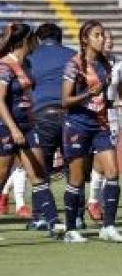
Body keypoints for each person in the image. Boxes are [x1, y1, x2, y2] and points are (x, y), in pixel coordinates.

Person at [61, 20, 122, 243]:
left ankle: (108, 226)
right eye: (97, 35)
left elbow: (103, 100)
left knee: (114, 173)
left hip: (101, 125)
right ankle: (70, 229)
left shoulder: (106, 65)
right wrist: (88, 93)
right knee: (77, 179)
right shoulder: (74, 64)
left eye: (103, 35)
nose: (102, 39)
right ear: (85, 39)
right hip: (77, 125)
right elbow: (65, 101)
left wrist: (121, 103)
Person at [1, 22, 62, 236]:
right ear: (27, 40)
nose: (37, 42)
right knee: (1, 177)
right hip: (7, 128)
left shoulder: (26, 63)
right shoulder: (5, 65)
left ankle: (54, 222)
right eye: (34, 38)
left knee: (38, 174)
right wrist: (13, 129)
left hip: (28, 126)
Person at [25, 22, 75, 231]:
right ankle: (76, 216)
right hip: (70, 116)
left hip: (41, 115)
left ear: (38, 38)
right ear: (59, 38)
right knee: (74, 168)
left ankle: (40, 216)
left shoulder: (30, 58)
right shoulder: (73, 55)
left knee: (39, 169)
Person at [87, 29, 122, 221]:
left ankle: (94, 202)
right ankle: (92, 201)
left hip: (112, 115)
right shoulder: (91, 62)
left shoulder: (118, 63)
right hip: (92, 113)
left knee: (104, 162)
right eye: (104, 38)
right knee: (96, 161)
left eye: (111, 39)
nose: (108, 42)